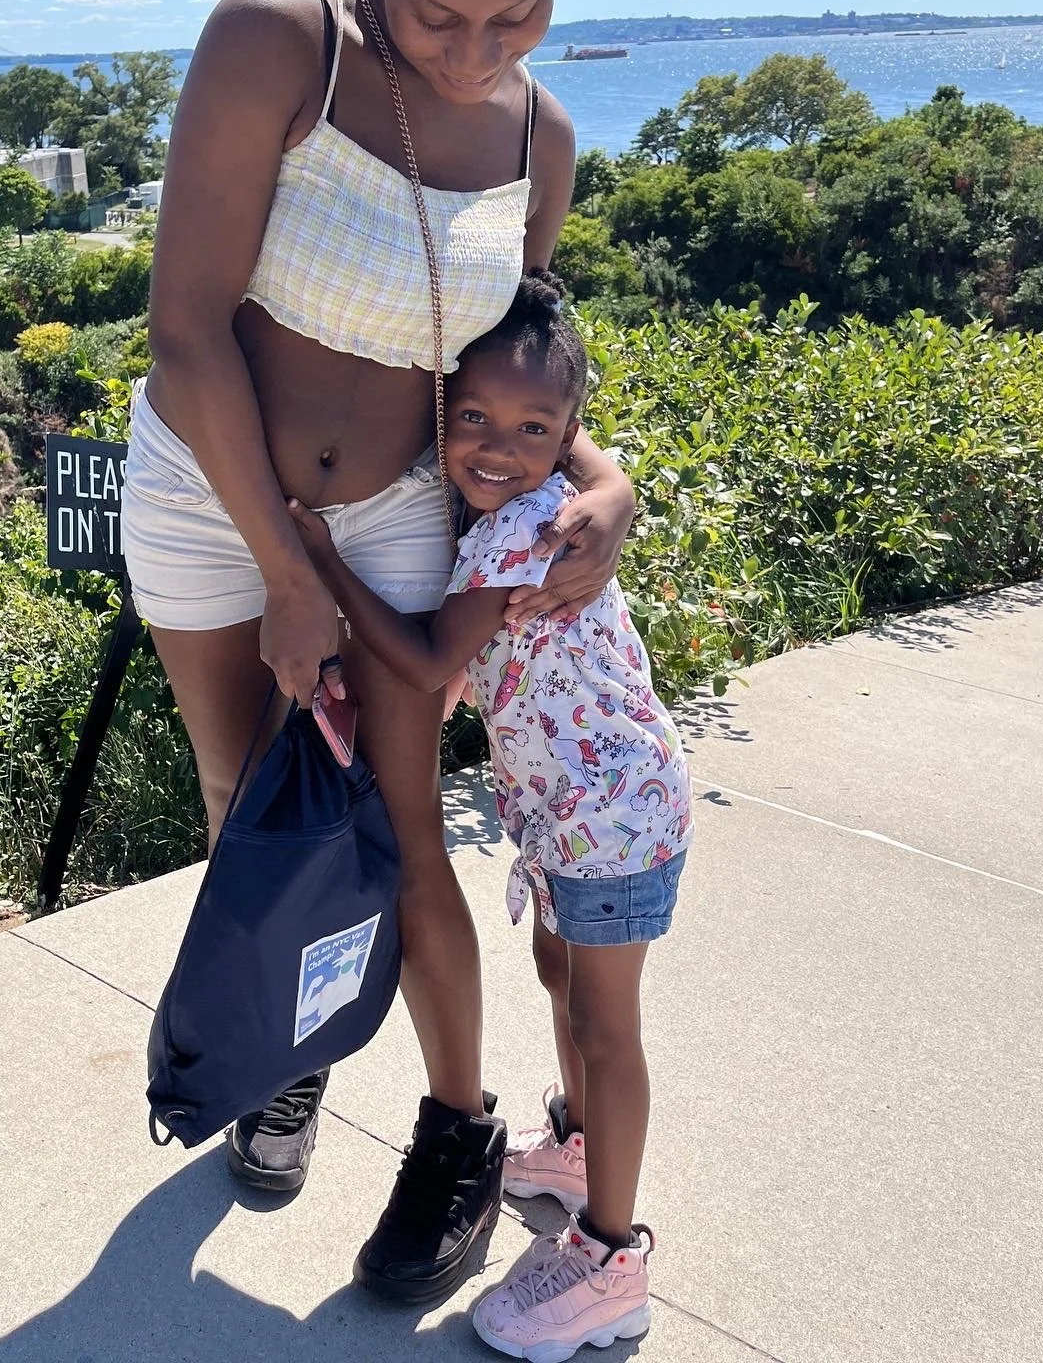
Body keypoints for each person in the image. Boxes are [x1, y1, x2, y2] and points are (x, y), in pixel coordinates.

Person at [123, 0, 637, 1302]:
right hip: (210, 499)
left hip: (404, 518)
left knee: (406, 833)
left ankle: (459, 1129)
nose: (479, 47)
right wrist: (282, 567)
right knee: (253, 812)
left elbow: (524, 379)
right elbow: (188, 329)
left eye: (520, 10)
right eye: (438, 10)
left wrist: (607, 486)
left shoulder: (542, 135)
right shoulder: (284, 39)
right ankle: (288, 1054)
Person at [286, 270, 691, 1358]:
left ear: (568, 437)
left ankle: (611, 1258)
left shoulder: (521, 532)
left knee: (608, 1027)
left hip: (609, 815)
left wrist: (321, 560)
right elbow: (484, 663)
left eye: (531, 427)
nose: (495, 444)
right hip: (576, 811)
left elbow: (425, 660)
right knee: (564, 983)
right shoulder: (506, 522)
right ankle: (573, 1145)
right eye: (471, 417)